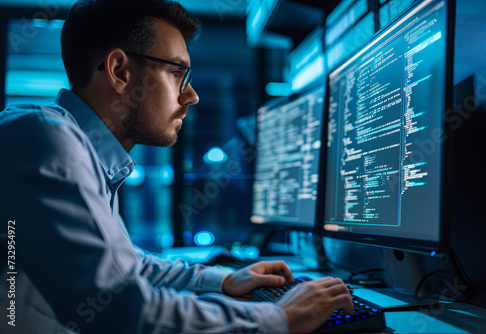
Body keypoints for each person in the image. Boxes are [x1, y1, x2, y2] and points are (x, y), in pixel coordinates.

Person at [0, 0, 353, 333]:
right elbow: (120, 307)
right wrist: (278, 318)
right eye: (178, 73)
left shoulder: (84, 152)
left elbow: (127, 264)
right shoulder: (45, 139)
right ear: (119, 71)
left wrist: (225, 281)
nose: (192, 95)